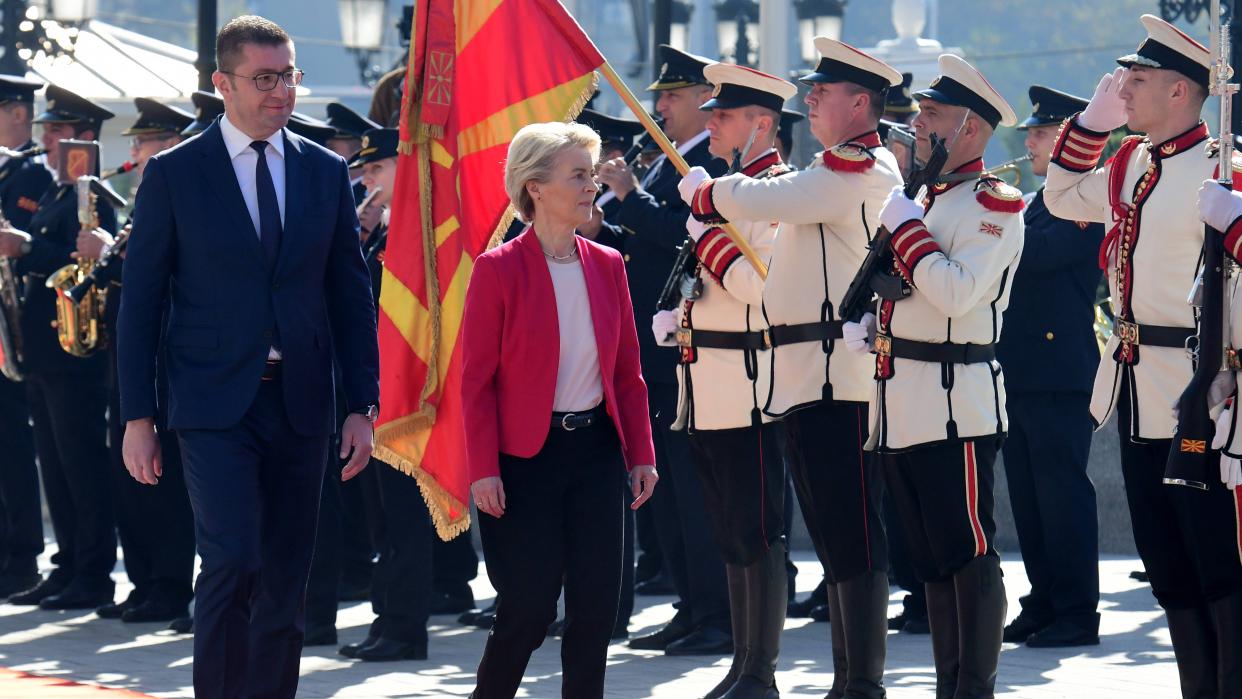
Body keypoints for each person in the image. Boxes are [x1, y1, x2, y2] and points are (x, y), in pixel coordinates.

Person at [117, 16, 380, 698]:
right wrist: (137, 415)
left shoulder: (325, 171)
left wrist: (362, 405)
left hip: (301, 403)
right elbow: (141, 303)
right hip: (211, 403)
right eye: (264, 78)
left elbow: (350, 298)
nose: (280, 92)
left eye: (288, 75)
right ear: (222, 83)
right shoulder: (175, 174)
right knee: (233, 558)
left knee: (287, 576)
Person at [682, 37, 903, 699]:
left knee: (852, 534)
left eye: (823, 92)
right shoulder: (830, 173)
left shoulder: (859, 170)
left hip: (840, 377)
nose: (810, 99)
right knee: (834, 536)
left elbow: (776, 204)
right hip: (807, 376)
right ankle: (841, 677)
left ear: (859, 101)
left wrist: (711, 195)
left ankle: (859, 680)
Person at [1045, 14, 1242, 696]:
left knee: (1219, 564)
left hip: (1199, 394)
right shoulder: (1133, 162)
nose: (1122, 90)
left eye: (1137, 80)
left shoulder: (1224, 168)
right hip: (1133, 391)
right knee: (1166, 568)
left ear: (1182, 92)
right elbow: (1061, 193)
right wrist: (1091, 129)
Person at [462, 121, 658, 699]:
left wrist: (641, 454)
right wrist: (483, 469)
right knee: (526, 610)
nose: (590, 186)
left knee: (597, 609)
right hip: (524, 460)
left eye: (591, 174)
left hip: (597, 453)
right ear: (536, 187)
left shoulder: (608, 264)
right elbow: (475, 383)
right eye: (578, 175)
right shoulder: (496, 269)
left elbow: (627, 371)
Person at [867, 53, 1024, 698]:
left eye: (933, 113)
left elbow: (957, 294)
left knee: (967, 548)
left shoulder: (994, 204)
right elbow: (908, 286)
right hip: (904, 397)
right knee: (931, 558)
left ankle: (974, 686)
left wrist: (906, 232)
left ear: (972, 130)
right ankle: (947, 682)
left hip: (955, 400)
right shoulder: (929, 198)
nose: (918, 123)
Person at [663, 62, 795, 699]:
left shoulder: (777, 193)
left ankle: (760, 669)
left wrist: (709, 238)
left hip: (750, 384)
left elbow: (763, 292)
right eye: (710, 111)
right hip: (707, 384)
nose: (709, 121)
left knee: (758, 530)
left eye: (724, 114)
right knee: (731, 532)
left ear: (760, 125)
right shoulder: (729, 189)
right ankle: (743, 664)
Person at [594, 44, 732, 657]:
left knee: (695, 489)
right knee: (672, 490)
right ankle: (690, 603)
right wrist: (610, 230)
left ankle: (716, 612)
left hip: (687, 346)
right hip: (657, 343)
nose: (659, 107)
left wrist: (629, 197)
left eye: (672, 96)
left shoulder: (708, 161)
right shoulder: (670, 160)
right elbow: (652, 249)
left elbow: (690, 235)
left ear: (707, 103)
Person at [0, 84, 118, 610]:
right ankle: (69, 562)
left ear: (84, 138)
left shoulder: (88, 195)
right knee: (57, 466)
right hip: (47, 352)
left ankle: (92, 571)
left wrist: (25, 246)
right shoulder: (54, 191)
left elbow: (84, 264)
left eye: (57, 131)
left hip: (75, 352)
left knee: (82, 466)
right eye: (46, 130)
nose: (47, 140)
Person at [997, 85, 1105, 648]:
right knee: (1029, 498)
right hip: (1021, 370)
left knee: (1062, 497)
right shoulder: (1037, 202)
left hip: (1060, 372)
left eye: (1041, 133)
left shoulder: (1085, 203)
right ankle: (1043, 600)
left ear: (1069, 140)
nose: (1030, 142)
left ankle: (1076, 611)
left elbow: (1036, 256)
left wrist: (987, 215)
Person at [84, 97, 198, 625]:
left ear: (171, 145)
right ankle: (146, 581)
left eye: (143, 142)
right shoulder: (145, 199)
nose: (134, 153)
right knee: (128, 479)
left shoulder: (184, 194)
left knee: (165, 480)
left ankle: (171, 584)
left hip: (170, 357)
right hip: (128, 356)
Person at [334, 126, 435, 662]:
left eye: (377, 169)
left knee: (402, 518)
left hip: (407, 395)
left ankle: (404, 627)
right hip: (379, 391)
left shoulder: (420, 233)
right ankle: (387, 618)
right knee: (382, 517)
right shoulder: (386, 229)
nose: (367, 180)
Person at [0, 74, 51, 599]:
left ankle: (21, 556)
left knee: (14, 448)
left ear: (17, 113)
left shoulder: (32, 173)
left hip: (23, 333)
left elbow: (27, 244)